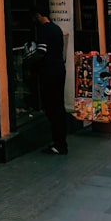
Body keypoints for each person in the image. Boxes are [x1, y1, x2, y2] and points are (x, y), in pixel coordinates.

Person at [34, 10, 68, 155]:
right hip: (59, 69)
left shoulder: (44, 30)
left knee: (51, 107)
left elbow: (41, 50)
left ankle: (59, 144)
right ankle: (61, 141)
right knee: (59, 106)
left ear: (38, 15)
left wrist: (30, 62)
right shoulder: (57, 28)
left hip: (49, 72)